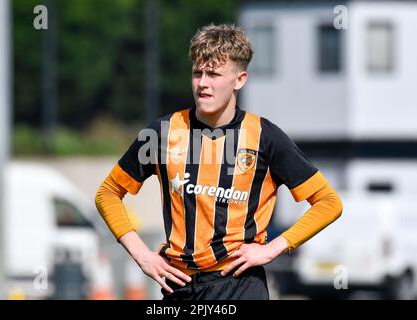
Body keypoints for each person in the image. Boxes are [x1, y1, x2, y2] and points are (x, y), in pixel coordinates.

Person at [95, 23, 343, 300]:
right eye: (197, 73)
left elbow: (328, 203)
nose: (203, 83)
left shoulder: (265, 136)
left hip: (240, 285)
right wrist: (141, 255)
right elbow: (108, 193)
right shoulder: (163, 132)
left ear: (240, 80)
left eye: (213, 74)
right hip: (180, 286)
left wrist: (272, 248)